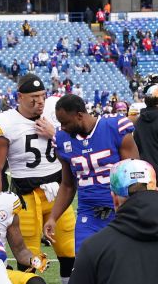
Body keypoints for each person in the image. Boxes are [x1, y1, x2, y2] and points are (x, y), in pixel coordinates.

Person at [0, 74, 76, 284]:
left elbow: (78, 143)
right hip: (25, 196)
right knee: (29, 256)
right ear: (20, 97)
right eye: (33, 97)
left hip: (57, 192)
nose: (40, 102)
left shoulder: (56, 111)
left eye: (42, 96)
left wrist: (55, 134)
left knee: (69, 250)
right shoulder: (4, 122)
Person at [46, 94, 140, 254]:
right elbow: (68, 185)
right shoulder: (61, 140)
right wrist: (53, 217)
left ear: (79, 115)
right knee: (84, 264)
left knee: (121, 265)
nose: (62, 128)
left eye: (65, 122)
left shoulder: (115, 127)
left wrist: (132, 210)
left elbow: (135, 175)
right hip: (88, 213)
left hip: (121, 211)